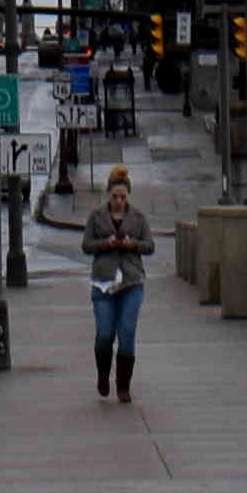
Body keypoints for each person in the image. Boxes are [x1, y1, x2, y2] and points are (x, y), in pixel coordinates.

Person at [82, 166, 154, 399]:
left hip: (132, 282)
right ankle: (103, 375)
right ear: (108, 195)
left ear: (128, 196)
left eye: (123, 197)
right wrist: (107, 243)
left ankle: (123, 386)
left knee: (127, 331)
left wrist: (131, 244)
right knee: (104, 334)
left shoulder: (139, 217)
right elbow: (87, 245)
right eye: (115, 197)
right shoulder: (96, 216)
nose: (119, 201)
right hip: (104, 283)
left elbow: (149, 246)